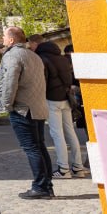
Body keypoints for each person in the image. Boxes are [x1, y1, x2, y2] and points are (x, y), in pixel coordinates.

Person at [0, 25, 53, 198]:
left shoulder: (13, 55)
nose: (3, 40)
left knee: (32, 148)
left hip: (22, 108)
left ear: (11, 40)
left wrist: (6, 105)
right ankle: (46, 185)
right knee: (40, 147)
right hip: (37, 107)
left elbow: (10, 82)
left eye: (4, 37)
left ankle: (41, 187)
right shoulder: (34, 56)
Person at [35, 39, 87, 177]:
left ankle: (63, 169)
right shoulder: (63, 59)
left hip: (52, 100)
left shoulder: (43, 60)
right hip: (66, 98)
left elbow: (43, 82)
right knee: (70, 131)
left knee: (57, 134)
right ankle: (78, 167)